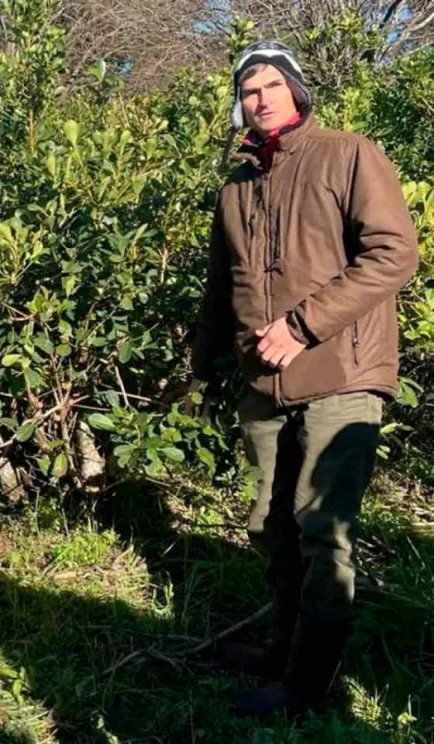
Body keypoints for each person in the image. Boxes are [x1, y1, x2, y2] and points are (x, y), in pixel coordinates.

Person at [190, 40, 419, 717]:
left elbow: (393, 254)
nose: (258, 99)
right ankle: (278, 651)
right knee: (269, 523)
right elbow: (218, 286)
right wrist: (202, 367)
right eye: (248, 90)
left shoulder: (347, 154)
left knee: (322, 528)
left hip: (342, 371)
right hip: (262, 382)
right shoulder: (237, 186)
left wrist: (302, 325)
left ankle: (308, 687)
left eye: (270, 86)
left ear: (295, 90)